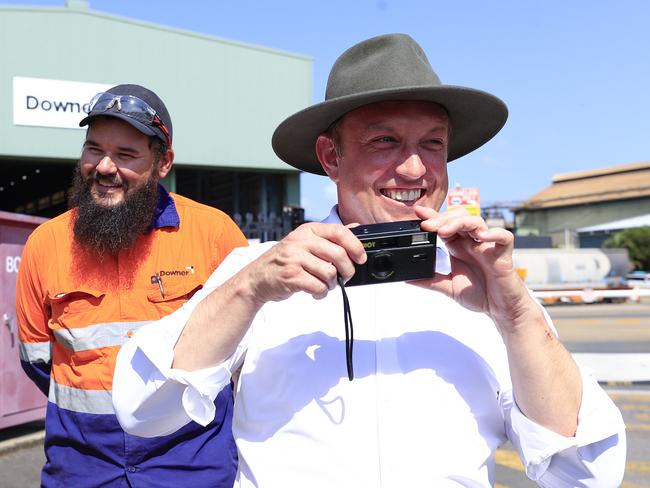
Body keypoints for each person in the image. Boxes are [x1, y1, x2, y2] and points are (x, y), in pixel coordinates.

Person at [112, 35, 626, 487]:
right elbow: (143, 410)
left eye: (433, 143)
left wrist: (515, 316)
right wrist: (251, 288)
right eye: (384, 141)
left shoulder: (492, 288)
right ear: (331, 157)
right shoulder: (258, 273)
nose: (413, 166)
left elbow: (586, 473)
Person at [16, 84, 248, 487]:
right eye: (94, 149)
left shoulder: (215, 236)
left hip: (191, 464)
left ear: (163, 163)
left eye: (125, 155)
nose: (105, 167)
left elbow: (247, 357)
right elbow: (38, 360)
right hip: (82, 466)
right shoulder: (45, 245)